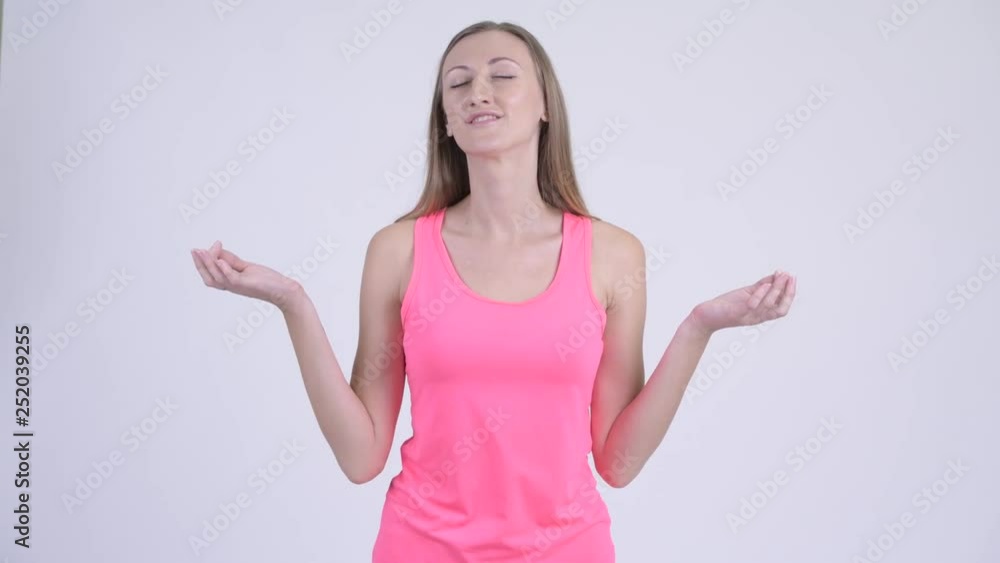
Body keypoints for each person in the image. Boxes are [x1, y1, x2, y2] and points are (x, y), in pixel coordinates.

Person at [190, 20, 797, 563]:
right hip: (419, 548)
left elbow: (617, 463)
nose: (477, 91)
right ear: (446, 121)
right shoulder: (397, 252)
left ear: (545, 105)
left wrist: (698, 329)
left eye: (502, 75)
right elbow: (360, 456)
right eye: (457, 84)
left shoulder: (614, 255)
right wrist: (293, 303)